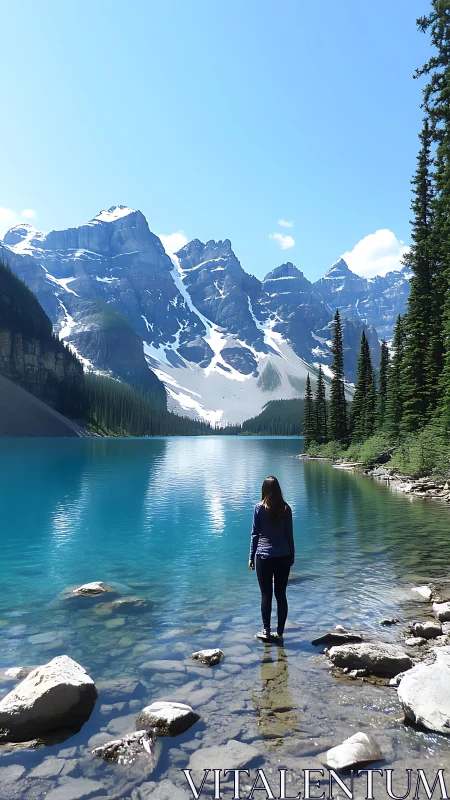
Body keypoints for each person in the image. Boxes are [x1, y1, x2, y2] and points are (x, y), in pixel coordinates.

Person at [249, 476, 295, 642]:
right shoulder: (286, 508)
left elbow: (255, 534)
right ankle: (280, 632)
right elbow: (289, 534)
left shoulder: (258, 508)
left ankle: (266, 630)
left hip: (264, 556)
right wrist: (292, 555)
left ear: (264, 489)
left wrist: (251, 556)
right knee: (281, 594)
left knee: (266, 595)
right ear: (278, 489)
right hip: (283, 555)